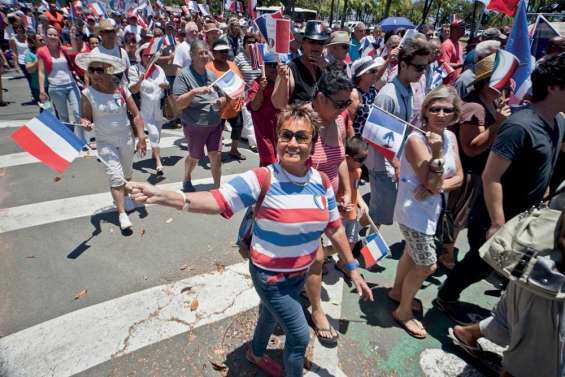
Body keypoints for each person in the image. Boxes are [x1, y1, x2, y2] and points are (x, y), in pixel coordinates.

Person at [126, 104, 373, 377]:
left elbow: (335, 228)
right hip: (270, 278)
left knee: (268, 316)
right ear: (277, 139)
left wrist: (353, 268)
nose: (293, 143)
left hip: (299, 274)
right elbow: (216, 200)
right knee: (300, 336)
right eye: (286, 135)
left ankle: (255, 353)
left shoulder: (322, 181)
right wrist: (162, 196)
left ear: (313, 143)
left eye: (302, 137)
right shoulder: (262, 178)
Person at [436, 53, 565, 326]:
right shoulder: (519, 127)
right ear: (553, 86)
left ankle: (505, 317)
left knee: (515, 271)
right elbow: (491, 176)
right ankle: (446, 298)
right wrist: (497, 223)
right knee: (479, 262)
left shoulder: (559, 122)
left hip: (528, 219)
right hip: (498, 217)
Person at [450, 184, 565, 377]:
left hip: (536, 269)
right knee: (533, 363)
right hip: (549, 284)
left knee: (509, 319)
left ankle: (469, 333)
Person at [390, 86, 463, 338]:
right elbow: (432, 183)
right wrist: (435, 154)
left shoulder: (451, 137)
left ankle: (398, 292)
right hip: (414, 214)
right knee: (427, 265)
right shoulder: (416, 140)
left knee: (411, 255)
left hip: (432, 209)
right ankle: (403, 311)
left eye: (447, 109)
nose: (441, 114)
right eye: (435, 108)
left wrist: (436, 186)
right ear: (426, 111)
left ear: (455, 113)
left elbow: (460, 178)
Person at [439, 52, 510, 270]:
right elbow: (470, 148)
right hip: (468, 173)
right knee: (455, 215)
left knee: (460, 215)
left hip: (477, 173)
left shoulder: (487, 103)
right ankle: (445, 253)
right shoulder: (474, 108)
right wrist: (497, 125)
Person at [305, 69, 354, 345]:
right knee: (317, 259)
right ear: (320, 97)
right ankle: (317, 310)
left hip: (331, 203)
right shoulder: (301, 121)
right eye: (339, 103)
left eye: (347, 103)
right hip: (306, 205)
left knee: (335, 246)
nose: (343, 108)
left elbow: (341, 159)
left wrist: (347, 190)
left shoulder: (338, 119)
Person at [76, 51, 147, 230]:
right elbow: (86, 117)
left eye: (99, 70)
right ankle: (121, 213)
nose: (95, 74)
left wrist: (141, 136)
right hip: (105, 142)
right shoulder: (87, 94)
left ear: (108, 71)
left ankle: (124, 197)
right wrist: (85, 123)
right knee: (116, 177)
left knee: (127, 174)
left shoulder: (122, 89)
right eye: (91, 70)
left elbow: (136, 114)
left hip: (126, 139)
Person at [368, 37, 431, 227]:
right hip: (382, 167)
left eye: (425, 68)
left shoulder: (407, 89)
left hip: (394, 163)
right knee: (377, 217)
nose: (422, 72)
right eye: (418, 67)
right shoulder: (388, 96)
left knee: (384, 215)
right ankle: (364, 253)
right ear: (403, 65)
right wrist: (396, 165)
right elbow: (375, 136)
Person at [173, 40, 226, 192]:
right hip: (194, 125)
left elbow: (223, 96)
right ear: (192, 55)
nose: (204, 56)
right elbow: (179, 103)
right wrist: (194, 92)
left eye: (206, 52)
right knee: (195, 157)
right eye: (200, 53)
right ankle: (187, 177)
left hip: (214, 123)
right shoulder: (183, 75)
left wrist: (219, 101)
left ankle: (217, 189)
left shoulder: (211, 74)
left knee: (216, 155)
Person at [129, 42, 169, 175]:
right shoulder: (134, 69)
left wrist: (165, 85)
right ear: (141, 56)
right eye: (146, 55)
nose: (149, 57)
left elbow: (166, 84)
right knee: (154, 133)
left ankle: (154, 151)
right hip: (143, 108)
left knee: (157, 133)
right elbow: (133, 91)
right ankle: (158, 162)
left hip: (158, 107)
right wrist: (140, 80)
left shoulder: (159, 69)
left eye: (152, 55)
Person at [37, 26, 83, 139]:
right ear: (46, 36)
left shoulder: (62, 49)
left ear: (58, 37)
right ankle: (70, 140)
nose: (53, 37)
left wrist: (72, 37)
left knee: (78, 114)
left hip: (71, 85)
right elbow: (41, 72)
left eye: (55, 35)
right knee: (64, 117)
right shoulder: (41, 51)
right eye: (50, 34)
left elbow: (74, 50)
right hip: (56, 87)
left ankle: (83, 140)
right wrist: (42, 90)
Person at [271, 20, 329, 109]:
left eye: (320, 43)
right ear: (303, 42)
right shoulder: (290, 69)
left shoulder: (325, 67)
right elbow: (278, 105)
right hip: (298, 121)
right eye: (312, 42)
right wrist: (283, 81)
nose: (316, 46)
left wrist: (328, 70)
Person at [247, 52, 278, 167]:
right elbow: (254, 106)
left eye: (275, 65)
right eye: (269, 65)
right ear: (263, 67)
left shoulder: (283, 81)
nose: (273, 68)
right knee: (269, 162)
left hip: (280, 128)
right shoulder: (257, 83)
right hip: (264, 131)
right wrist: (261, 90)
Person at [350, 56, 386, 136]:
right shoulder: (354, 94)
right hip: (358, 143)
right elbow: (349, 123)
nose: (376, 74)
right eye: (372, 71)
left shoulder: (374, 91)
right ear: (361, 75)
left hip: (371, 141)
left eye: (376, 70)